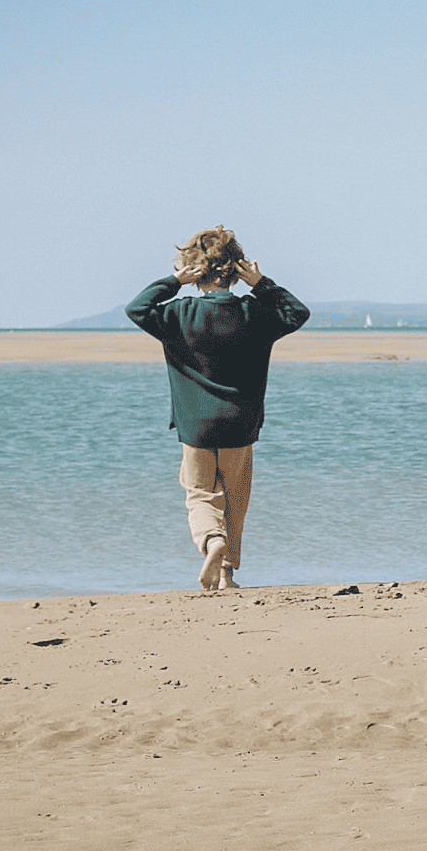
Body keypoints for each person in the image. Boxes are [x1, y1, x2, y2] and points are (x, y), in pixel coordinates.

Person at [127, 226, 310, 590]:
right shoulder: (253, 312)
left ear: (194, 270)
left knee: (200, 494)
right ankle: (227, 575)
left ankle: (213, 541)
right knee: (235, 498)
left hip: (195, 427)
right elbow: (297, 313)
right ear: (234, 268)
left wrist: (172, 282)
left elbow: (137, 309)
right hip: (240, 425)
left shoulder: (178, 314)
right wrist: (260, 283)